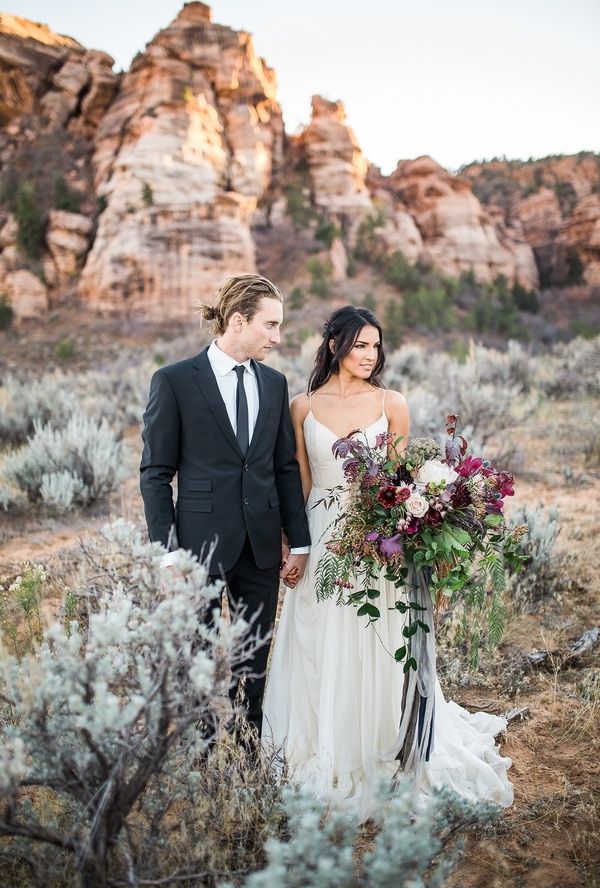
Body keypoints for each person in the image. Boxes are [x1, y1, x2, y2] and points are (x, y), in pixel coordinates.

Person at [263, 306, 514, 820]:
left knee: (380, 637)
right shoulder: (301, 407)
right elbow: (302, 483)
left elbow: (399, 482)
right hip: (323, 535)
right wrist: (293, 542)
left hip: (379, 538)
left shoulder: (392, 403)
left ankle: (382, 743)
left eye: (375, 346)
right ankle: (323, 743)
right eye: (359, 345)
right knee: (319, 636)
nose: (369, 355)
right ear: (334, 345)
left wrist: (407, 525)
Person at [140, 274, 310, 738]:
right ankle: (202, 757)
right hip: (195, 551)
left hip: (260, 547)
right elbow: (155, 473)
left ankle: (249, 749)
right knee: (197, 662)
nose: (278, 337)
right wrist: (168, 551)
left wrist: (300, 540)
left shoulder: (274, 384)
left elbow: (284, 468)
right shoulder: (174, 381)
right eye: (270, 325)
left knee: (254, 662)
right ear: (238, 321)